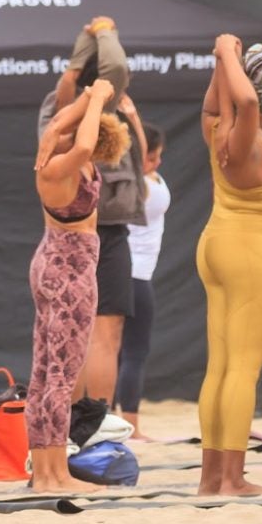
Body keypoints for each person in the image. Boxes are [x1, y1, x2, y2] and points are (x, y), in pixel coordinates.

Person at [195, 37, 262, 497]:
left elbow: (228, 99)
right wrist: (227, 53)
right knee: (242, 369)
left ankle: (211, 477)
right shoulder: (246, 138)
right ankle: (233, 478)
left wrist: (220, 58)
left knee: (220, 367)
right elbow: (249, 99)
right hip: (248, 252)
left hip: (215, 244)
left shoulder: (216, 128)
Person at [40, 19, 146, 425]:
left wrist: (89, 42)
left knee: (106, 330)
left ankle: (98, 421)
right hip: (76, 233)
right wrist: (104, 33)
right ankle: (76, 419)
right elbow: (113, 69)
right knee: (78, 332)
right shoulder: (62, 107)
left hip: (110, 230)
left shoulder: (108, 107)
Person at [28, 82, 126, 492]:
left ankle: (45, 472)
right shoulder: (55, 166)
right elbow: (84, 146)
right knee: (59, 377)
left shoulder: (54, 147)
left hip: (57, 265)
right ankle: (54, 475)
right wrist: (99, 101)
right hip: (68, 271)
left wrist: (88, 98)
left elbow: (60, 124)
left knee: (44, 374)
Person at [111, 124, 169, 426]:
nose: (157, 162)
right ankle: (130, 424)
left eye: (159, 156)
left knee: (114, 351)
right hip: (135, 275)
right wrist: (132, 119)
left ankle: (112, 418)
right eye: (151, 156)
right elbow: (135, 158)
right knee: (133, 351)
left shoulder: (128, 181)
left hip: (125, 272)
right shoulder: (138, 185)